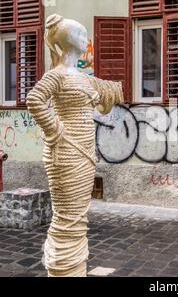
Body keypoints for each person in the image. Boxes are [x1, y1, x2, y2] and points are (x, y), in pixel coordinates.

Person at [26, 14, 124, 276]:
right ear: (69, 41)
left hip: (84, 152)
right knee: (68, 218)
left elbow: (104, 103)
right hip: (66, 150)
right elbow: (34, 100)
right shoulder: (57, 75)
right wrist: (55, 130)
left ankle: (74, 269)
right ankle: (64, 268)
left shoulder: (81, 76)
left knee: (78, 218)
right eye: (82, 35)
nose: (87, 39)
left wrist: (107, 90)